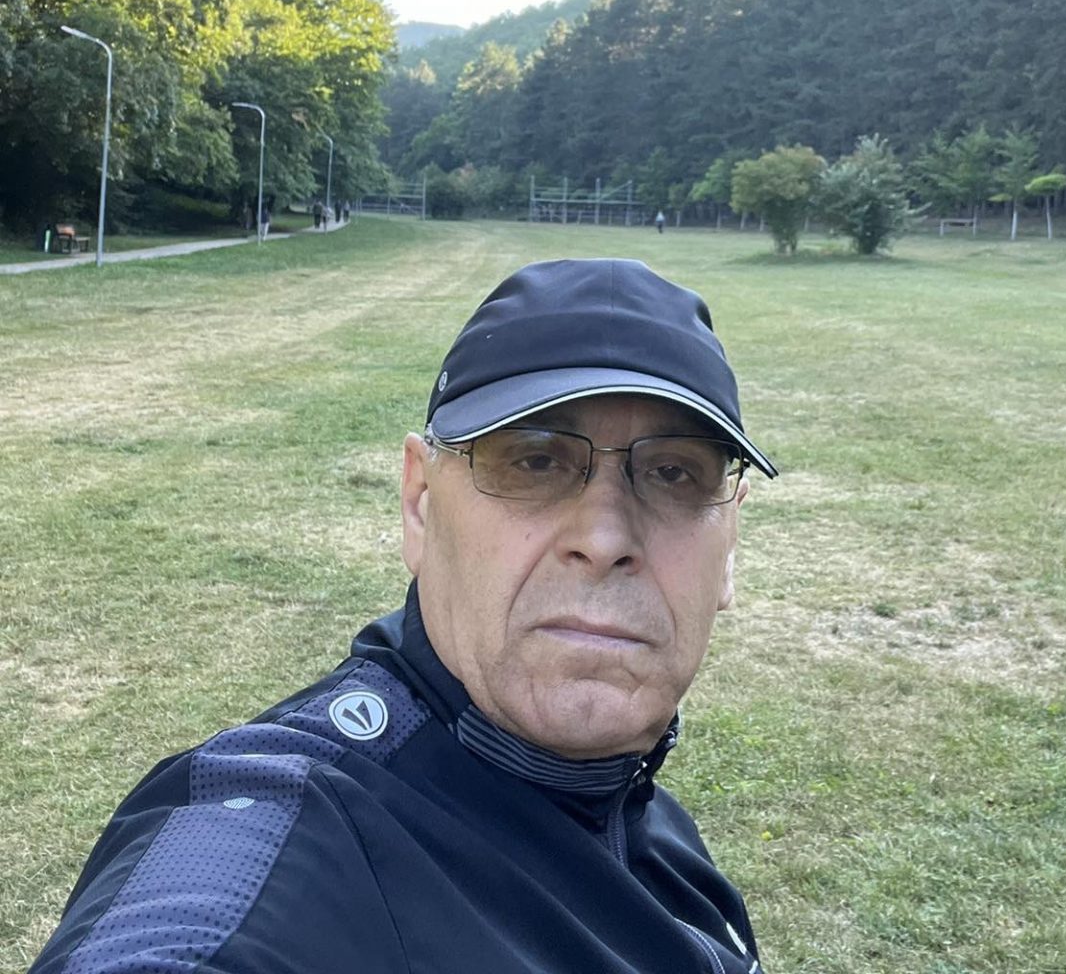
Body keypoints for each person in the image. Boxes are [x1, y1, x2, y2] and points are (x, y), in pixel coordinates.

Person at [29, 258, 777, 974]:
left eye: (673, 473)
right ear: (420, 504)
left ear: (730, 546)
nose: (606, 538)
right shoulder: (285, 835)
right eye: (536, 461)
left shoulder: (646, 822)